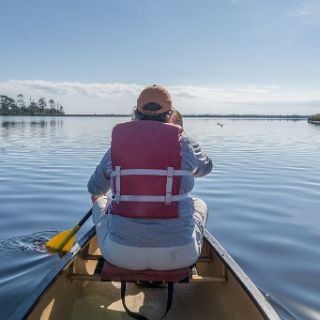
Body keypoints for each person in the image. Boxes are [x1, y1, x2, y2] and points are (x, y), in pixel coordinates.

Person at [87, 84, 212, 271]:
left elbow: (94, 188)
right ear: (170, 113)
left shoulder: (116, 147)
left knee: (99, 202)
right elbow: (205, 169)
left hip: (122, 255)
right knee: (200, 204)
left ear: (136, 112)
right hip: (179, 256)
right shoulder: (185, 142)